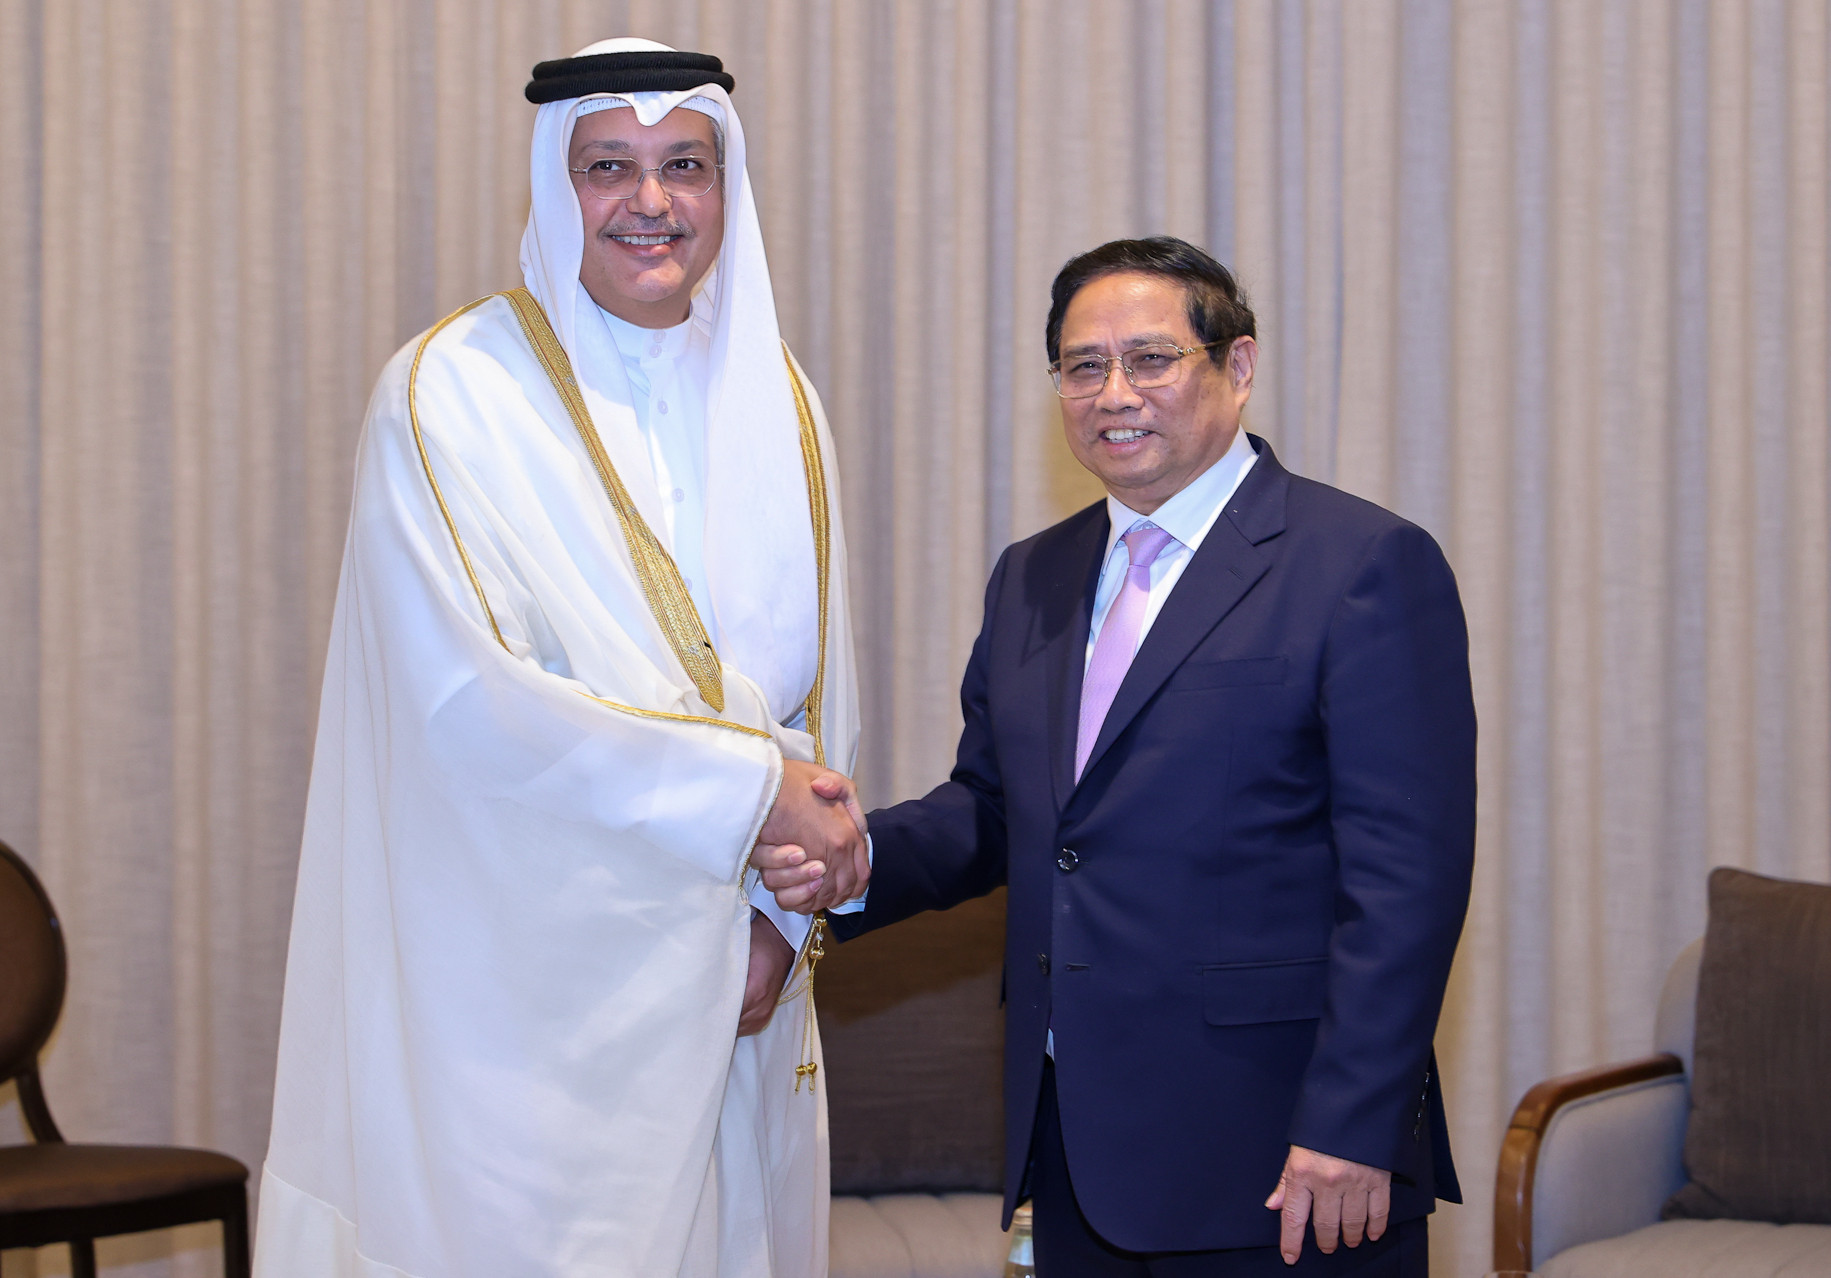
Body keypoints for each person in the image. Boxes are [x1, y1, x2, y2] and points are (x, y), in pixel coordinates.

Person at [255, 37, 869, 1278]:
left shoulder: (781, 398)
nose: (651, 201)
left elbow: (820, 693)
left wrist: (780, 916)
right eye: (609, 167)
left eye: (684, 165)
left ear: (724, 186)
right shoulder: (450, 393)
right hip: (520, 1002)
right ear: (555, 181)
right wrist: (752, 796)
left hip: (738, 980)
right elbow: (471, 707)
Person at [761, 236, 1475, 1275]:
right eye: (1083, 366)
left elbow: (1406, 880)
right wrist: (849, 859)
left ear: (1237, 366)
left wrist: (1353, 1124)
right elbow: (996, 810)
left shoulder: (1360, 563)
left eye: (1150, 359)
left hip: (1284, 1158)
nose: (1113, 394)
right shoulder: (1033, 576)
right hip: (1077, 1151)